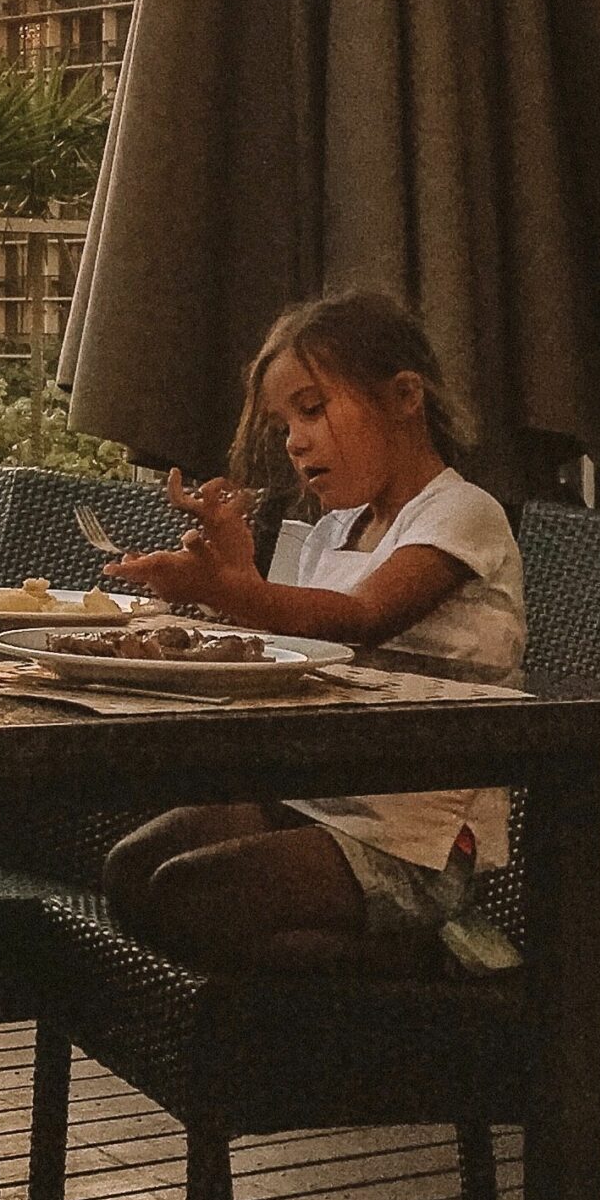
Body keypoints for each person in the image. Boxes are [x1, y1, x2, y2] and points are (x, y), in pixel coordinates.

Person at [99, 290, 524, 975]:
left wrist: (228, 590)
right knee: (130, 869)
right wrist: (235, 572)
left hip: (413, 843)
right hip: (315, 803)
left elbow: (359, 620)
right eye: (285, 422)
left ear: (405, 395)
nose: (295, 440)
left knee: (191, 894)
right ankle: (277, 1021)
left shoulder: (462, 514)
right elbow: (292, 638)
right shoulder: (336, 528)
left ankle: (411, 976)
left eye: (313, 408)